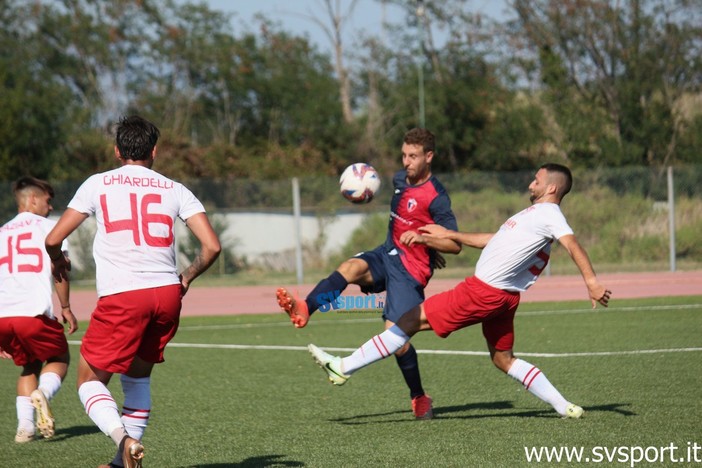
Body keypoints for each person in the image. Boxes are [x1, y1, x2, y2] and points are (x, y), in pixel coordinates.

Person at [308, 163, 612, 419]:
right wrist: (449, 234)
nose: (531, 182)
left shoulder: (549, 214)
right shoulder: (530, 215)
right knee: (503, 359)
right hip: (505, 299)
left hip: (483, 292)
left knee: (409, 320)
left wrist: (592, 282)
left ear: (551, 189)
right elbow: (490, 240)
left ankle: (343, 367)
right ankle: (564, 406)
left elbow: (571, 244)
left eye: (537, 180)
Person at [45, 115, 221, 468]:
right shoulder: (175, 188)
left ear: (116, 150)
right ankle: (120, 461)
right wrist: (185, 277)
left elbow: (53, 238)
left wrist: (56, 259)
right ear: (154, 151)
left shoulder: (98, 184)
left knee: (88, 381)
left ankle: (122, 439)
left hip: (124, 294)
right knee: (138, 376)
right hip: (167, 293)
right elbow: (212, 247)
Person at [277, 127, 461, 420]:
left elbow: (454, 243)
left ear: (429, 157)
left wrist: (426, 239)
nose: (406, 162)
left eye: (413, 156)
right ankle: (306, 307)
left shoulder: (437, 197)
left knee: (396, 340)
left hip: (410, 272)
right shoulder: (400, 179)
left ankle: (419, 397)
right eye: (403, 155)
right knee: (349, 268)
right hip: (386, 253)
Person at [0, 176, 78, 443]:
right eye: (47, 200)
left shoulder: (1, 232)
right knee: (59, 358)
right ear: (32, 199)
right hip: (31, 314)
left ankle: (25, 428)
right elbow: (60, 270)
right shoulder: (51, 228)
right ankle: (43, 393)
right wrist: (65, 307)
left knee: (29, 365)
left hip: (3, 318)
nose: (50, 206)